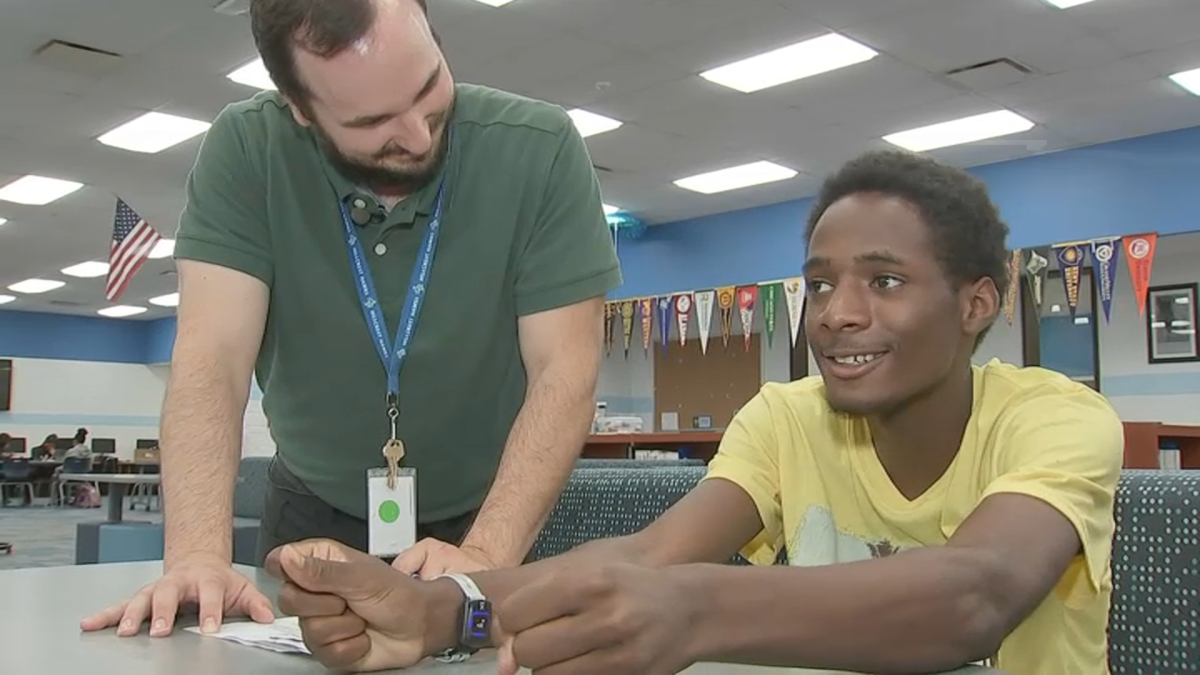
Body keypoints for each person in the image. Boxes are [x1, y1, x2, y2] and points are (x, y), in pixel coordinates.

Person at [260, 150, 1123, 674]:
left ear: (977, 304)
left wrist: (695, 609)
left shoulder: (1057, 419)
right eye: (820, 283)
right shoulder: (786, 418)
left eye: (884, 281)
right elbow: (645, 555)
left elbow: (975, 594)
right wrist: (445, 610)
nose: (837, 311)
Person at [80, 0, 619, 638]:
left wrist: (483, 559)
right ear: (300, 110)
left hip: (495, 513)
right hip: (313, 510)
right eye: (373, 121)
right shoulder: (249, 150)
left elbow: (566, 372)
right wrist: (197, 554)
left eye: (427, 87)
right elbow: (211, 363)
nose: (419, 134)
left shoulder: (540, 148)